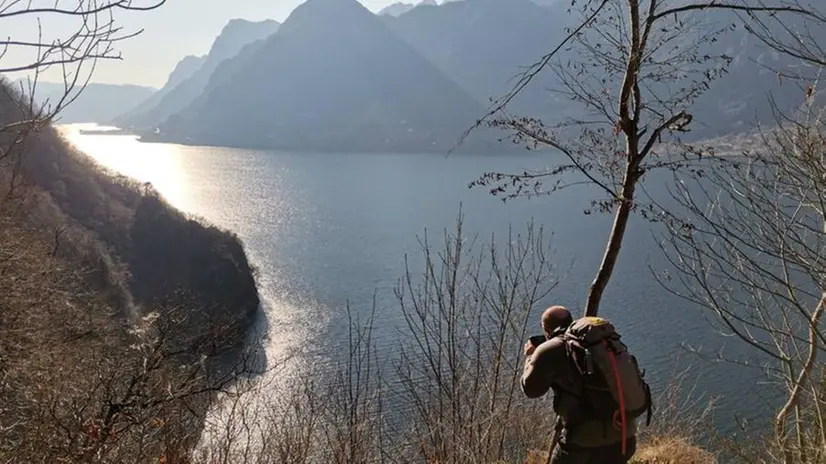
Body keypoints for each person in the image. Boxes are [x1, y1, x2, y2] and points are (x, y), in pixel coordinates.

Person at [521, 305, 637, 464]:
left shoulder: (549, 348)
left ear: (546, 329)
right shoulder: (601, 342)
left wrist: (530, 357)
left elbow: (531, 390)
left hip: (583, 443)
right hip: (625, 436)